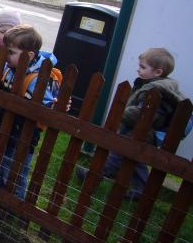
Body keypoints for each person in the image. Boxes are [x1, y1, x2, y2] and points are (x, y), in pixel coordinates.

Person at [77, 48, 188, 200]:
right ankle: (142, 191)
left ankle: (94, 175)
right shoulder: (157, 86)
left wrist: (121, 113)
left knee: (117, 153)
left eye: (143, 67)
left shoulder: (157, 91)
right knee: (135, 159)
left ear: (158, 72)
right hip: (143, 132)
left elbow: (143, 114)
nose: (138, 69)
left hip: (142, 132)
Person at [0, 25, 60, 200]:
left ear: (29, 56)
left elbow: (46, 110)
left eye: (11, 52)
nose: (5, 55)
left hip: (21, 139)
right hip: (5, 132)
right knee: (0, 168)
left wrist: (55, 107)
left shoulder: (36, 79)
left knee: (14, 175)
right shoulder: (10, 69)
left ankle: (14, 207)